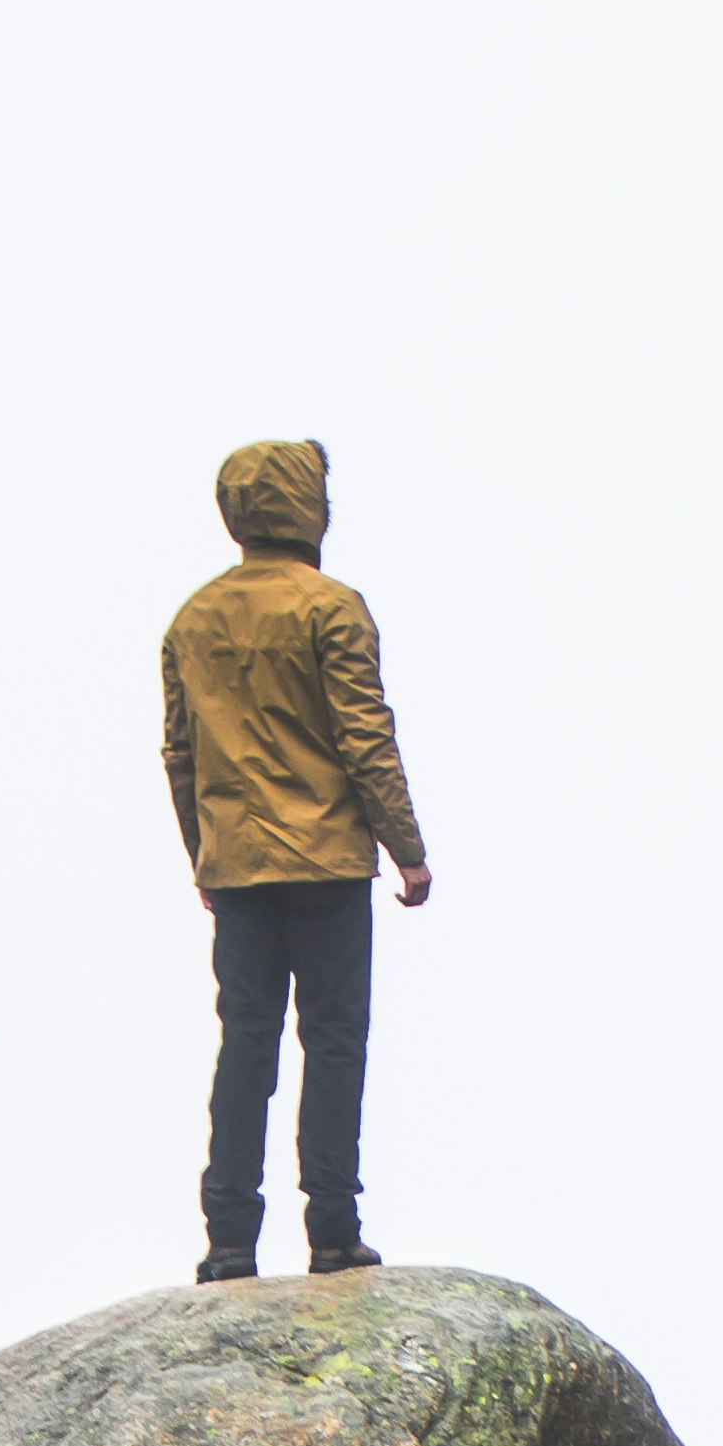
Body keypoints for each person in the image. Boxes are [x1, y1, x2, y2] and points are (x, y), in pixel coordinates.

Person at [160, 438, 431, 1280]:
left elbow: (180, 752)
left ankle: (229, 1240)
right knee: (335, 1041)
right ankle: (335, 1231)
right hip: (328, 863)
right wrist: (407, 850)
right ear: (306, 506)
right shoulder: (333, 608)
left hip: (237, 869)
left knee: (246, 1045)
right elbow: (364, 737)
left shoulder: (193, 619)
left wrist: (201, 852)